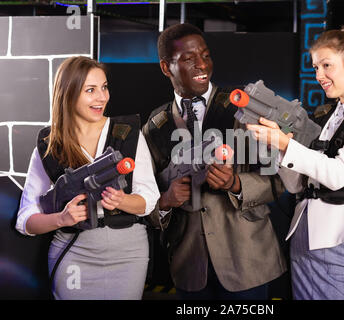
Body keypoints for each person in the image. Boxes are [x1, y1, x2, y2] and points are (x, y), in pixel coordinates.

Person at [247, 25, 344, 300]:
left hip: (343, 241)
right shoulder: (335, 113)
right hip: (305, 239)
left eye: (326, 65)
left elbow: (338, 174)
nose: (319, 75)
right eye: (316, 67)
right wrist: (278, 148)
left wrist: (286, 144)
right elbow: (298, 186)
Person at [142, 23, 287, 300]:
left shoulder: (244, 109)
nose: (202, 65)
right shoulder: (155, 126)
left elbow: (281, 179)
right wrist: (165, 201)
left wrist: (236, 184)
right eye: (188, 59)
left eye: (206, 56)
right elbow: (143, 194)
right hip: (190, 267)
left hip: (247, 262)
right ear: (165, 67)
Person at [15, 56, 160, 300]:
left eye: (104, 87)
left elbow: (149, 199)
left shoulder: (126, 133)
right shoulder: (50, 144)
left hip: (128, 254)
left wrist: (122, 201)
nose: (102, 97)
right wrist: (61, 218)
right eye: (90, 90)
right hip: (74, 251)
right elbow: (26, 219)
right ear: (68, 94)